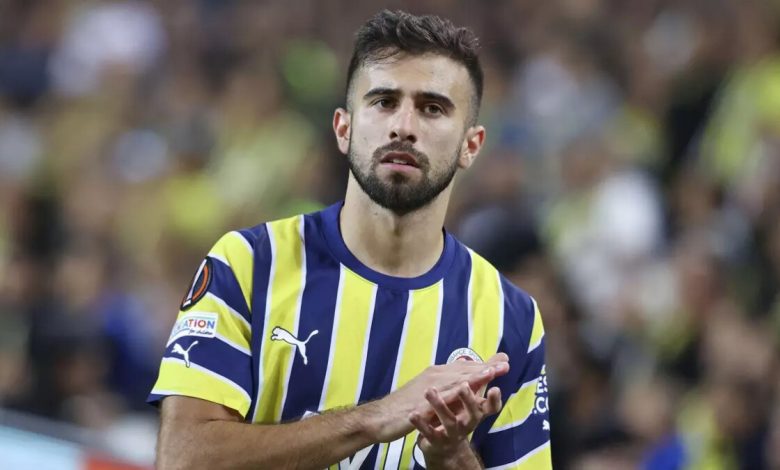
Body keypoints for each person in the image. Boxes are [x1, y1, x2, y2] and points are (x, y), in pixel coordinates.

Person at [149, 10, 551, 470]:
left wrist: (452, 456)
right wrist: (375, 418)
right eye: (384, 102)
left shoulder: (511, 317)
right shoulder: (248, 264)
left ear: (471, 145)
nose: (403, 126)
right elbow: (182, 458)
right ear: (344, 129)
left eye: (432, 108)